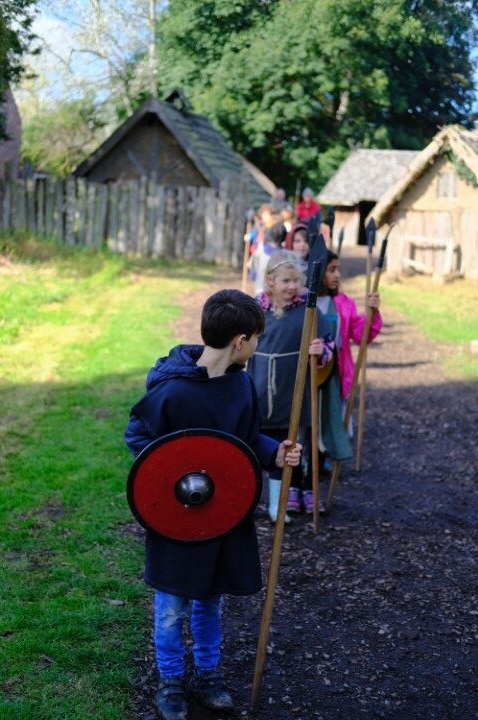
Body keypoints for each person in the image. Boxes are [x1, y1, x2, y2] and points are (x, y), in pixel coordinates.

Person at [124, 289, 302, 720]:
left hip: (222, 516)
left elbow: (246, 440)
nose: (256, 345)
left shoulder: (240, 386)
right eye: (256, 338)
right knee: (171, 607)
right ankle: (170, 680)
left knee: (210, 601)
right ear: (240, 341)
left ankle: (207, 674)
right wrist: (167, 473)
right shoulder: (172, 391)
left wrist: (275, 453)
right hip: (177, 519)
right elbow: (139, 436)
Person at [246, 250, 334, 520]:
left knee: (283, 447)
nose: (292, 286)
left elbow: (328, 343)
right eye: (286, 281)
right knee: (252, 446)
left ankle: (277, 506)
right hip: (259, 388)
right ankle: (246, 502)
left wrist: (320, 349)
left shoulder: (308, 309)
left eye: (296, 281)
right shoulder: (256, 309)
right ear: (270, 280)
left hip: (292, 391)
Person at [316, 250, 382, 471]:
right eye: (331, 270)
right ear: (318, 272)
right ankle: (305, 464)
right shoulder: (304, 302)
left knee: (331, 415)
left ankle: (323, 458)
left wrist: (371, 314)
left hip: (335, 374)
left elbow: (360, 335)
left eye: (339, 269)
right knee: (310, 419)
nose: (338, 275)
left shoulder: (344, 304)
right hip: (309, 374)